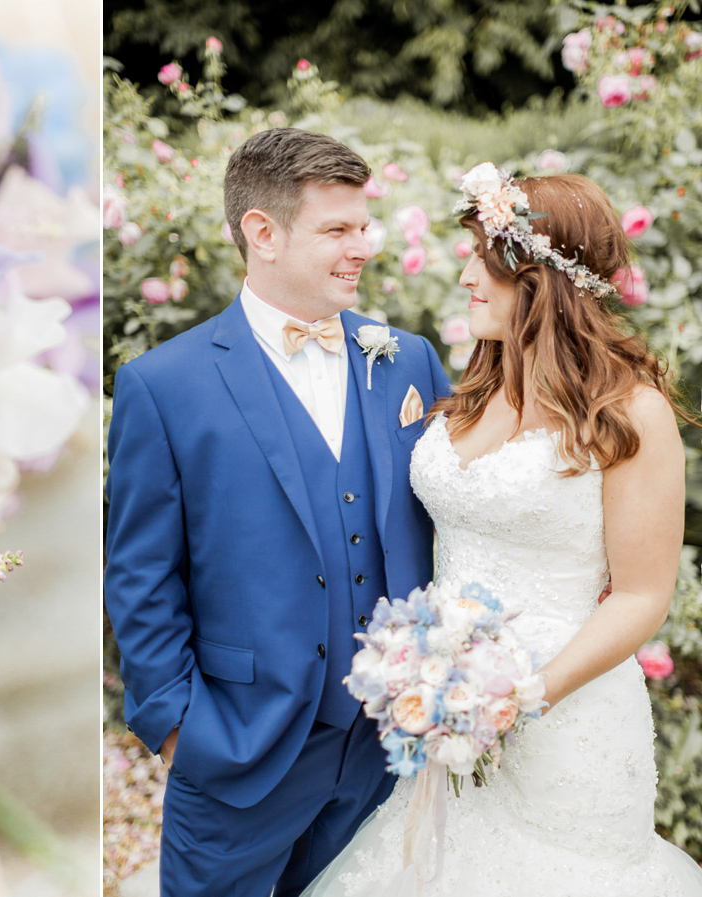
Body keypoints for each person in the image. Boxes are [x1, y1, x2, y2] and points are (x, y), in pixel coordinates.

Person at [300, 166, 702, 896]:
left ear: (540, 276)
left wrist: (522, 697)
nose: (465, 276)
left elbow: (642, 597)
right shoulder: (472, 386)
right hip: (444, 713)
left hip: (568, 724)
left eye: (482, 257)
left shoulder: (630, 412)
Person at [104, 128, 452, 896]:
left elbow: (454, 519)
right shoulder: (164, 386)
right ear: (262, 232)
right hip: (242, 750)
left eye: (363, 225)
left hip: (388, 749)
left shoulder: (408, 359)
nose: (363, 245)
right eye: (338, 229)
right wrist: (177, 728)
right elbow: (140, 574)